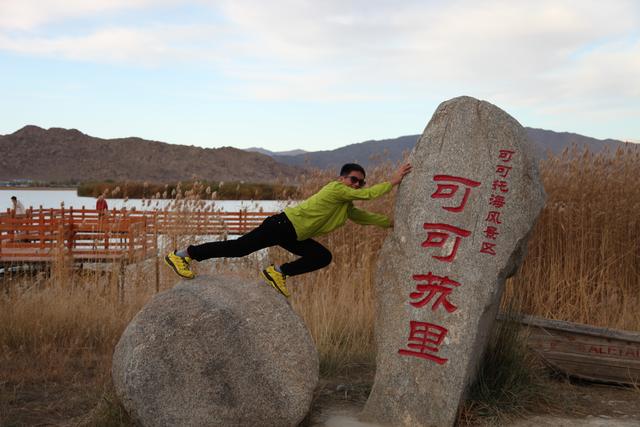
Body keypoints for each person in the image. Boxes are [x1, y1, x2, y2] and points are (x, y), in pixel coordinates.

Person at [165, 162, 412, 297]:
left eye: (360, 182)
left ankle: (278, 272)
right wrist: (393, 180)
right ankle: (182, 255)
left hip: (294, 234)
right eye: (353, 180)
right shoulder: (334, 189)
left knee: (322, 256)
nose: (357, 185)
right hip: (282, 225)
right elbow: (369, 196)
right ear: (342, 180)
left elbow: (363, 216)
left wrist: (391, 224)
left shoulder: (344, 205)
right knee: (237, 249)